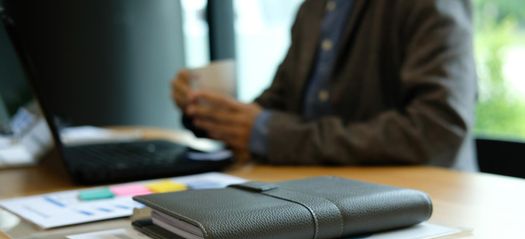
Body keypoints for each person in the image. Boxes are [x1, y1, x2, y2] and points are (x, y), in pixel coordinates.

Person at [172, 0, 478, 170]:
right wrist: (206, 106)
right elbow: (273, 108)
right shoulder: (314, 9)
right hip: (319, 197)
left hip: (420, 209)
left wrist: (269, 134)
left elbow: (438, 128)